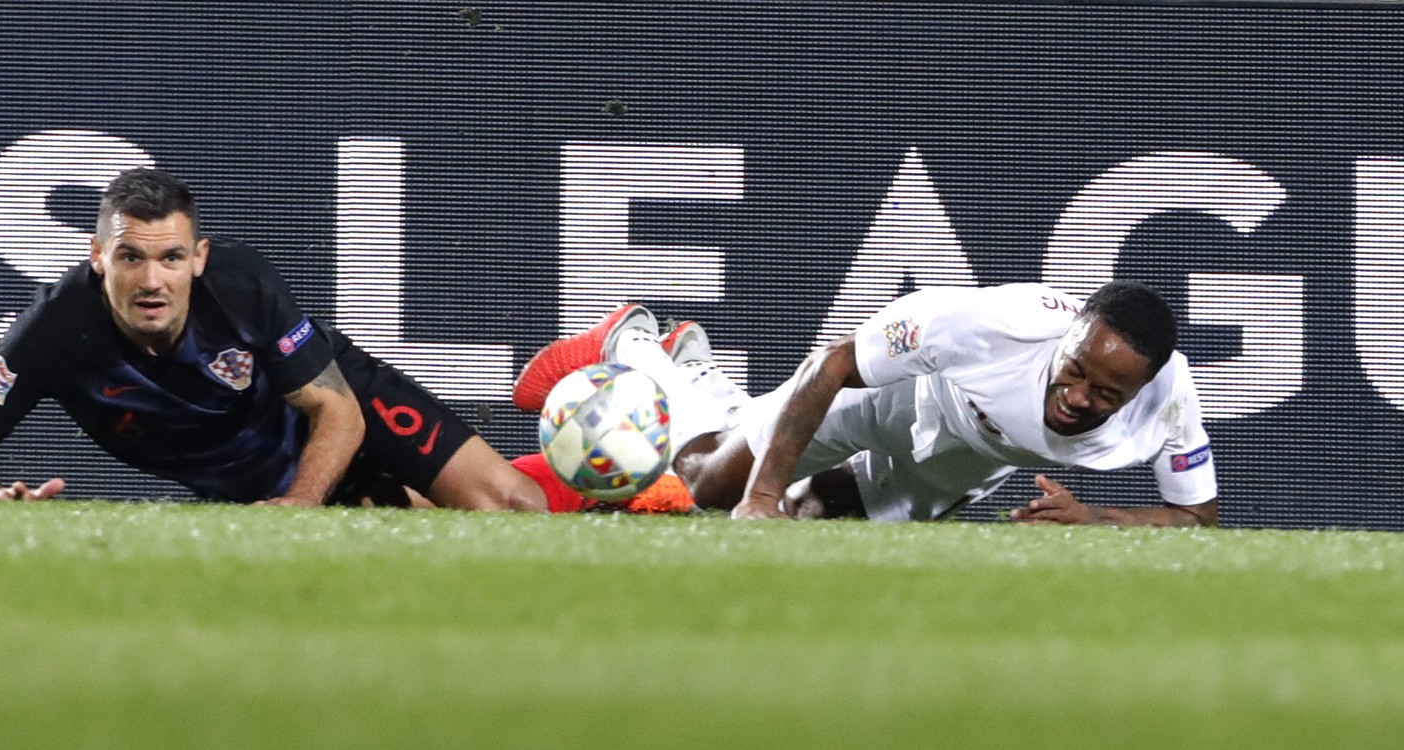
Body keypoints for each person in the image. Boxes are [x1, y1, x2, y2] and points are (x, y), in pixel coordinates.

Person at [0, 167, 545, 512]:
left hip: (331, 408)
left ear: (199, 257)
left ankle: (610, 459)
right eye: (130, 259)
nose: (152, 281)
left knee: (517, 506)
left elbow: (337, 410)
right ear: (97, 256)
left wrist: (299, 504)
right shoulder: (54, 329)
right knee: (416, 525)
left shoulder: (243, 286)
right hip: (244, 470)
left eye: (172, 258)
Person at [510, 281, 1218, 526]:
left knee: (816, 521)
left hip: (969, 461)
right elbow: (836, 363)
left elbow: (1195, 517)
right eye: (1073, 373)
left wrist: (1092, 515)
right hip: (897, 399)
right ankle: (644, 351)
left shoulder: (1170, 397)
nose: (1077, 398)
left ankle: (708, 380)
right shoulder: (994, 324)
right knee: (712, 485)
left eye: (1104, 395)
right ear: (1065, 339)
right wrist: (759, 493)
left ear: (1144, 385)